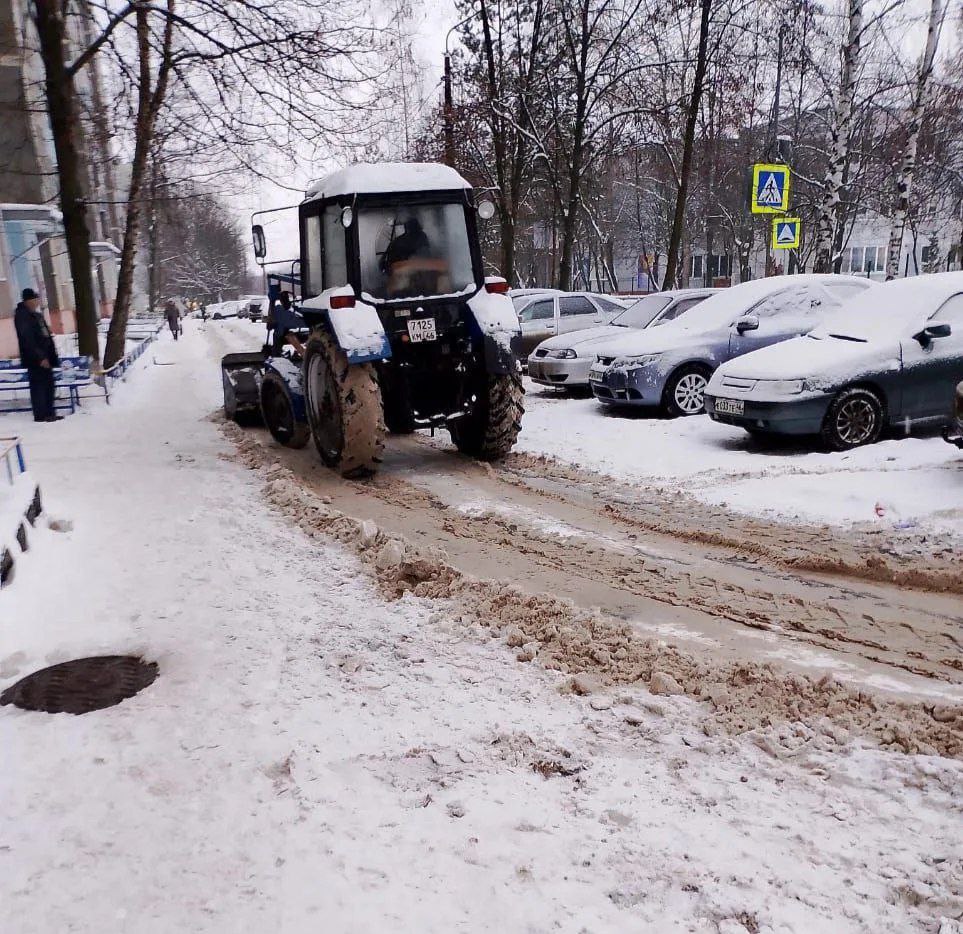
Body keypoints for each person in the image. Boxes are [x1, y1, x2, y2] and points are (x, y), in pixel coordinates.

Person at [14, 287, 62, 422]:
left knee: (48, 384)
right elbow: (27, 339)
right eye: (35, 299)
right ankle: (41, 414)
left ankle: (49, 412)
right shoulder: (22, 316)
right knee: (39, 386)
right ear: (28, 300)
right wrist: (40, 357)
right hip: (35, 359)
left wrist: (50, 355)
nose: (37, 302)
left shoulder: (36, 315)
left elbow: (44, 334)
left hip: (45, 356)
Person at [266, 291, 306, 356]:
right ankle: (276, 353)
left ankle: (276, 353)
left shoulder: (280, 311)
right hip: (283, 332)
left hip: (282, 332)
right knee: (281, 334)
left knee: (279, 335)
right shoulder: (280, 311)